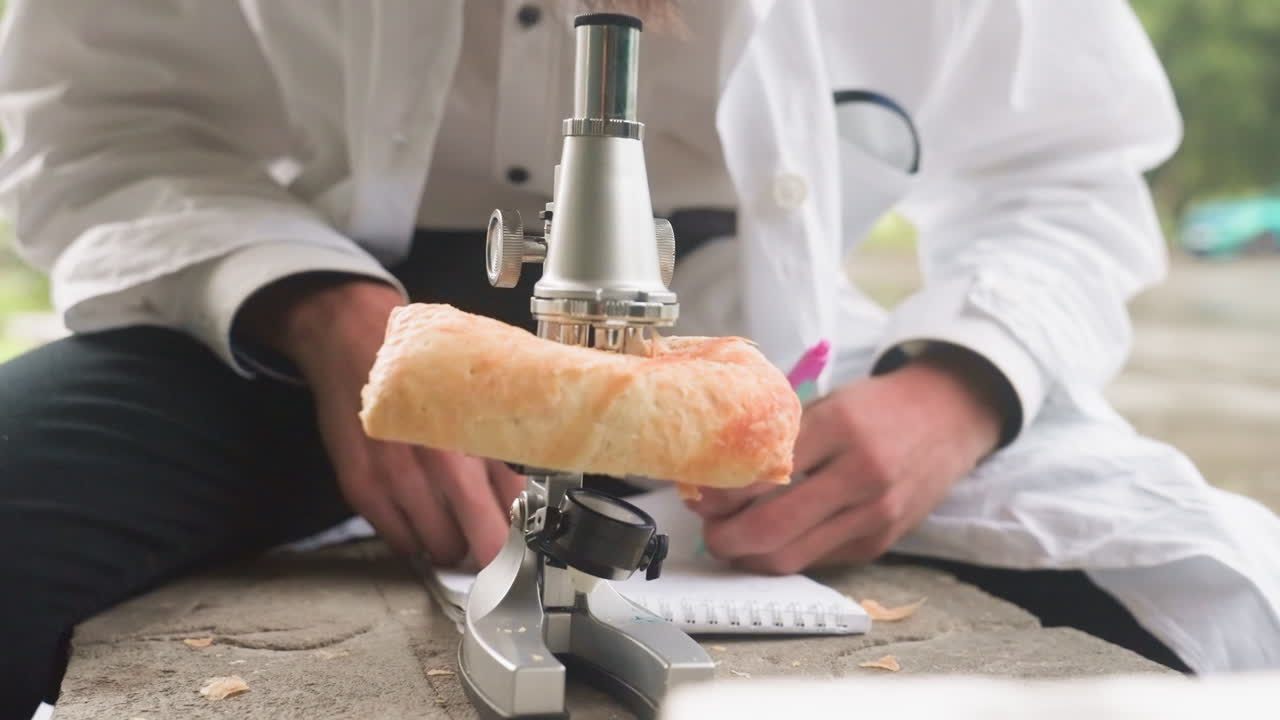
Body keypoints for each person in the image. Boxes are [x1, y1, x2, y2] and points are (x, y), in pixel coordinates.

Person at [0, 0, 1277, 715]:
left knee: (1150, 614)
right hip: (309, 332)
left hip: (770, 350)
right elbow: (101, 123)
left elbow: (1060, 168)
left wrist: (958, 390)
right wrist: (320, 311)